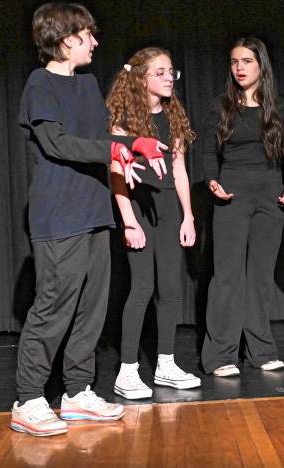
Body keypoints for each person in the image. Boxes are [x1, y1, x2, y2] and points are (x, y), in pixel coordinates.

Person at [12, 2, 166, 436]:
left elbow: (101, 140)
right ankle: (27, 399)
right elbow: (58, 143)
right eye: (88, 34)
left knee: (92, 306)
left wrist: (134, 143)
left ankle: (78, 393)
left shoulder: (88, 84)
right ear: (66, 40)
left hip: (95, 208)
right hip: (58, 212)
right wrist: (116, 150)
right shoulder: (39, 84)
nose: (96, 42)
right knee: (53, 307)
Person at [106, 47, 201, 399]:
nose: (168, 78)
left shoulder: (172, 115)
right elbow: (117, 174)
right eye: (160, 72)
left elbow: (178, 170)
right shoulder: (124, 121)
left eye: (171, 72)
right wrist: (130, 222)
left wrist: (188, 216)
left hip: (167, 210)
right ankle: (127, 371)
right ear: (141, 78)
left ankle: (166, 363)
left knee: (171, 289)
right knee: (142, 286)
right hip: (139, 207)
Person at [201, 37, 284, 377]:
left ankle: (260, 350)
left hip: (271, 194)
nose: (239, 68)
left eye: (247, 61)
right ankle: (220, 355)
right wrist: (213, 180)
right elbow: (208, 151)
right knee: (227, 275)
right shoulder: (221, 106)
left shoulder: (280, 108)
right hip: (233, 192)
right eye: (234, 61)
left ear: (261, 66)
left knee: (258, 277)